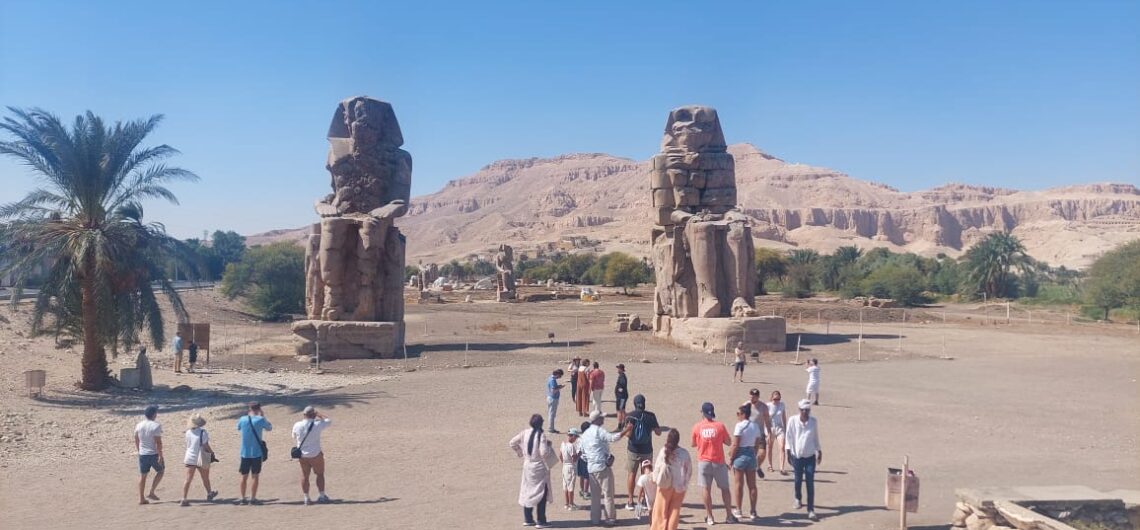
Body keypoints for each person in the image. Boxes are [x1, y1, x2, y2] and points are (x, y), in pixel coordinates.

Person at [580, 410, 632, 527]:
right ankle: (610, 518)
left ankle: (595, 520)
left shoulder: (585, 434)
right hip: (602, 467)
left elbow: (583, 454)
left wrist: (592, 459)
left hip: (591, 468)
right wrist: (627, 430)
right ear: (597, 420)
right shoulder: (599, 431)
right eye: (602, 418)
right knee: (608, 494)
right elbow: (613, 438)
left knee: (595, 497)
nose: (603, 419)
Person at [692, 402, 737, 525]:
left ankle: (710, 516)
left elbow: (693, 443)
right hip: (718, 461)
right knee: (725, 489)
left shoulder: (697, 427)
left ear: (703, 413)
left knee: (706, 489)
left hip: (704, 462)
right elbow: (728, 442)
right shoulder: (720, 426)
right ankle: (729, 515)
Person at [509, 414, 555, 528]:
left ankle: (528, 518)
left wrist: (520, 452)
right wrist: (549, 447)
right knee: (542, 493)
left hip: (528, 465)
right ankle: (541, 520)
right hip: (538, 467)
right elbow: (544, 453)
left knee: (527, 491)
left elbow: (512, 442)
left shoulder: (525, 432)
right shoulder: (541, 435)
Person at [622, 394, 661, 511]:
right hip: (647, 449)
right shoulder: (650, 416)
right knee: (646, 475)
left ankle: (630, 500)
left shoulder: (630, 416)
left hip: (633, 449)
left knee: (631, 474)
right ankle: (644, 499)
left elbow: (628, 435)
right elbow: (658, 432)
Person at [786, 399, 822, 522]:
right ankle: (798, 498)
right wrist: (788, 451)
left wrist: (819, 450)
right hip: (797, 455)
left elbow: (815, 437)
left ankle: (811, 509)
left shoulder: (813, 422)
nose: (806, 412)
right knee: (797, 480)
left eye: (808, 410)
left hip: (810, 456)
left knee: (810, 482)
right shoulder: (792, 420)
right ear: (799, 410)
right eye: (803, 410)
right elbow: (789, 436)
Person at [650, 428, 692, 530]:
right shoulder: (684, 453)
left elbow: (657, 468)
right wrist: (685, 484)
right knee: (674, 511)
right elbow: (689, 471)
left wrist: (655, 479)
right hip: (679, 487)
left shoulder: (663, 451)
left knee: (660, 511)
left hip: (665, 485)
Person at [292, 405, 333, 505]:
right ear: (313, 415)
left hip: (302, 455)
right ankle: (322, 496)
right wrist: (319, 415)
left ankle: (306, 498)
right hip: (315, 454)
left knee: (304, 476)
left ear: (304, 415)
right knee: (320, 474)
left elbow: (294, 436)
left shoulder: (297, 425)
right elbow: (329, 421)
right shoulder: (317, 424)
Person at [729, 404, 763, 520]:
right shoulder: (755, 426)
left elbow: (736, 444)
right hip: (751, 453)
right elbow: (758, 441)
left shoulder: (739, 426)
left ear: (743, 414)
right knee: (752, 485)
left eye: (738, 414)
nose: (737, 416)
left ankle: (738, 510)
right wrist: (754, 452)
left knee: (739, 484)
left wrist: (731, 458)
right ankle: (753, 511)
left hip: (741, 454)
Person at [236, 402, 272, 505]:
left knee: (244, 476)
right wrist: (263, 416)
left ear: (249, 408)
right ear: (259, 409)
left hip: (244, 453)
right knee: (255, 476)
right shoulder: (260, 419)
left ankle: (243, 498)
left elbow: (238, 428)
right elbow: (269, 428)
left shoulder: (243, 419)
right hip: (256, 453)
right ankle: (253, 498)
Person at [180, 413, 218, 506]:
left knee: (188, 478)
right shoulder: (203, 432)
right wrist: (212, 453)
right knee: (205, 477)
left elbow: (188, 444)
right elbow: (206, 445)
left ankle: (184, 498)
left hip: (189, 457)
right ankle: (209, 493)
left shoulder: (188, 432)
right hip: (200, 457)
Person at [135, 405, 165, 505]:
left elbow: (136, 439)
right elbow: (158, 443)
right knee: (160, 471)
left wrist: (139, 450)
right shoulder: (156, 425)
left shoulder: (139, 425)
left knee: (143, 476)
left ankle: (141, 498)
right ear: (154, 414)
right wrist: (160, 455)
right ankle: (151, 492)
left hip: (143, 454)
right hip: (153, 454)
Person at [744, 388, 773, 479]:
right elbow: (740, 418)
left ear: (758, 397)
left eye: (754, 397)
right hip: (748, 434)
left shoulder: (763, 406)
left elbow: (767, 420)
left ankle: (757, 466)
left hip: (759, 434)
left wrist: (769, 432)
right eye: (751, 396)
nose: (752, 398)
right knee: (750, 454)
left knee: (762, 453)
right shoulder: (745, 405)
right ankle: (751, 469)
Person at [560, 428, 582, 510]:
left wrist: (564, 463)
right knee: (571, 487)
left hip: (564, 466)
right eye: (575, 437)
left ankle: (567, 503)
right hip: (570, 467)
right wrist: (579, 454)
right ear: (572, 436)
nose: (576, 439)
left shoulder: (563, 444)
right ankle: (571, 504)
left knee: (565, 486)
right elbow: (574, 459)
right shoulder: (571, 446)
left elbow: (560, 456)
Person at [767, 390, 788, 476]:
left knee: (782, 447)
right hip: (770, 428)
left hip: (780, 429)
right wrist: (767, 431)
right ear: (772, 398)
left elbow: (783, 417)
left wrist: (786, 429)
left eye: (778, 399)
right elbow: (765, 419)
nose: (777, 401)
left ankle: (782, 468)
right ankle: (770, 465)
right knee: (770, 447)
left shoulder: (782, 405)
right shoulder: (768, 406)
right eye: (775, 399)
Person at [547, 369, 565, 434]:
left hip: (550, 398)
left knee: (551, 413)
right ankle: (551, 429)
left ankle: (551, 428)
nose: (560, 377)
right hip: (553, 398)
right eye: (560, 376)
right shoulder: (552, 380)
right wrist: (560, 387)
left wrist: (558, 386)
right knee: (552, 414)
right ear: (557, 374)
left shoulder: (550, 378)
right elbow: (553, 391)